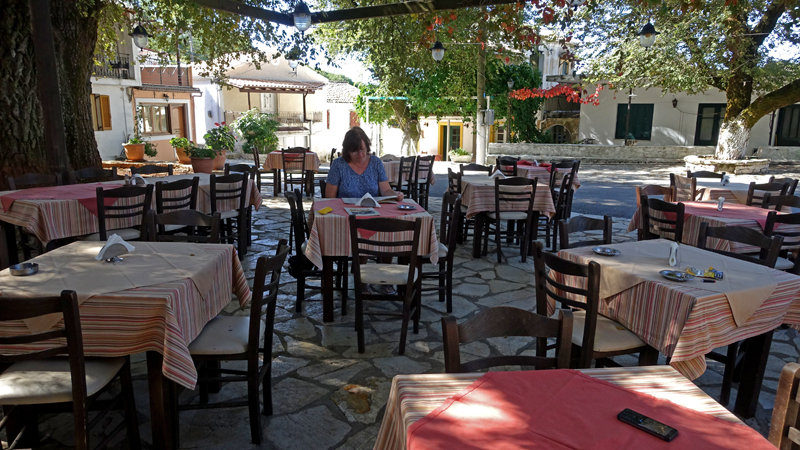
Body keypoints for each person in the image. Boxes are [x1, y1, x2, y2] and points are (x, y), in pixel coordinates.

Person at [325, 127, 404, 201]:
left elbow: (386, 190)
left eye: (362, 150)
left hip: (372, 211)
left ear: (367, 147)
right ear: (347, 150)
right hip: (345, 212)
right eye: (355, 151)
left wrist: (395, 194)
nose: (360, 154)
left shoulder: (376, 163)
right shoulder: (338, 164)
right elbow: (330, 197)